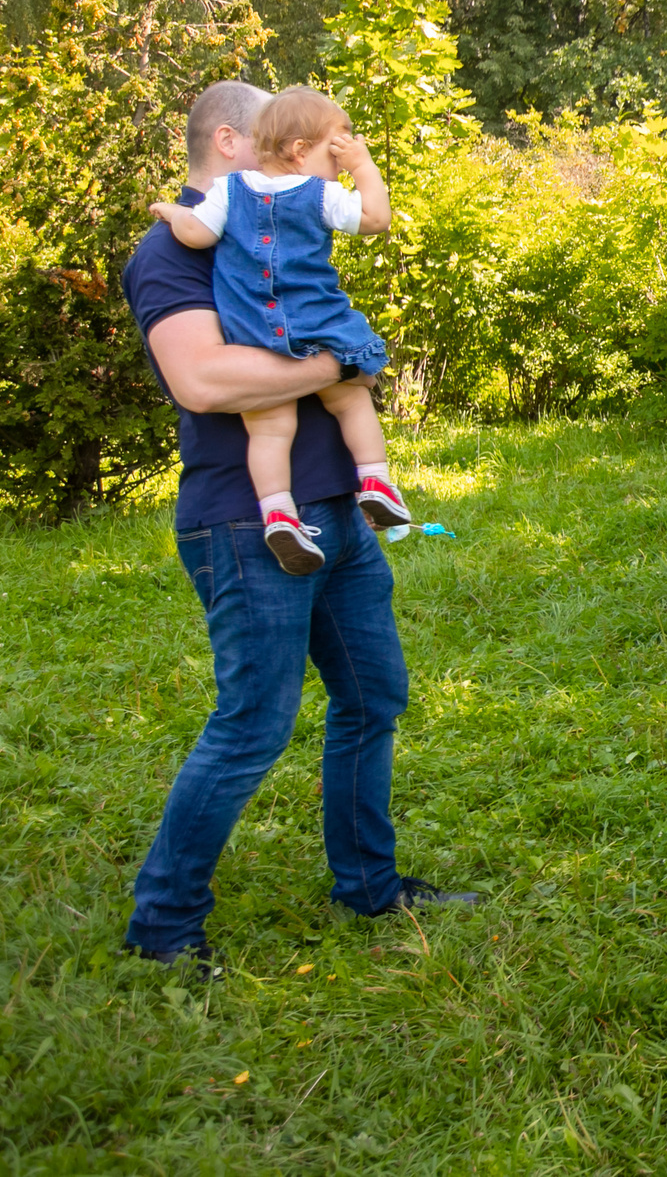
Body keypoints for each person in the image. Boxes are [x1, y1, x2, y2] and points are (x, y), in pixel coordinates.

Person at [121, 81, 473, 973]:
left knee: (373, 695)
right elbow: (206, 382)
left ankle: (369, 884)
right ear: (233, 139)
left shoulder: (286, 219)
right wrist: (337, 358)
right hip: (246, 523)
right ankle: (162, 925)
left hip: (335, 510)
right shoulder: (172, 250)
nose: (297, 147)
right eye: (279, 133)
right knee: (254, 722)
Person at [149, 85, 411, 574]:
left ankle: (277, 513)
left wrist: (172, 212)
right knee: (353, 398)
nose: (336, 161)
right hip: (320, 325)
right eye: (334, 150)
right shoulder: (322, 194)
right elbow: (376, 217)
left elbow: (197, 232)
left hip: (254, 330)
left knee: (268, 428)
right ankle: (376, 481)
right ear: (299, 151)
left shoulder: (227, 194)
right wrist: (362, 166)